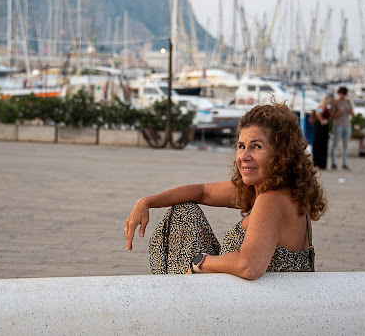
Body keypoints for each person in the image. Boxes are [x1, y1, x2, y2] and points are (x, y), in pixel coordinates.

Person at [125, 103, 328, 279]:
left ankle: (174, 299)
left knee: (182, 218)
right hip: (256, 298)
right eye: (241, 146)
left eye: (256, 147)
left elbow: (249, 266)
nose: (244, 156)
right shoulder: (272, 192)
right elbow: (202, 191)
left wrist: (200, 263)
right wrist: (147, 202)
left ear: (282, 154)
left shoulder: (272, 200)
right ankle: (175, 293)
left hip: (260, 308)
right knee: (184, 212)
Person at [330, 86, 354, 170]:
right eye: (340, 94)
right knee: (335, 144)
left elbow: (352, 114)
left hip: (347, 125)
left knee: (345, 145)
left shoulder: (348, 102)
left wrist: (350, 111)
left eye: (343, 94)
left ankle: (344, 163)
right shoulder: (335, 102)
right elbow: (332, 116)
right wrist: (340, 111)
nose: (342, 95)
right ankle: (333, 163)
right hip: (338, 125)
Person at [312, 93, 334, 170]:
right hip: (320, 126)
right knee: (319, 144)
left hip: (325, 127)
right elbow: (317, 113)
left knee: (324, 144)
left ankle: (322, 164)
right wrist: (322, 121)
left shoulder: (328, 107)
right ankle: (317, 163)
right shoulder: (322, 106)